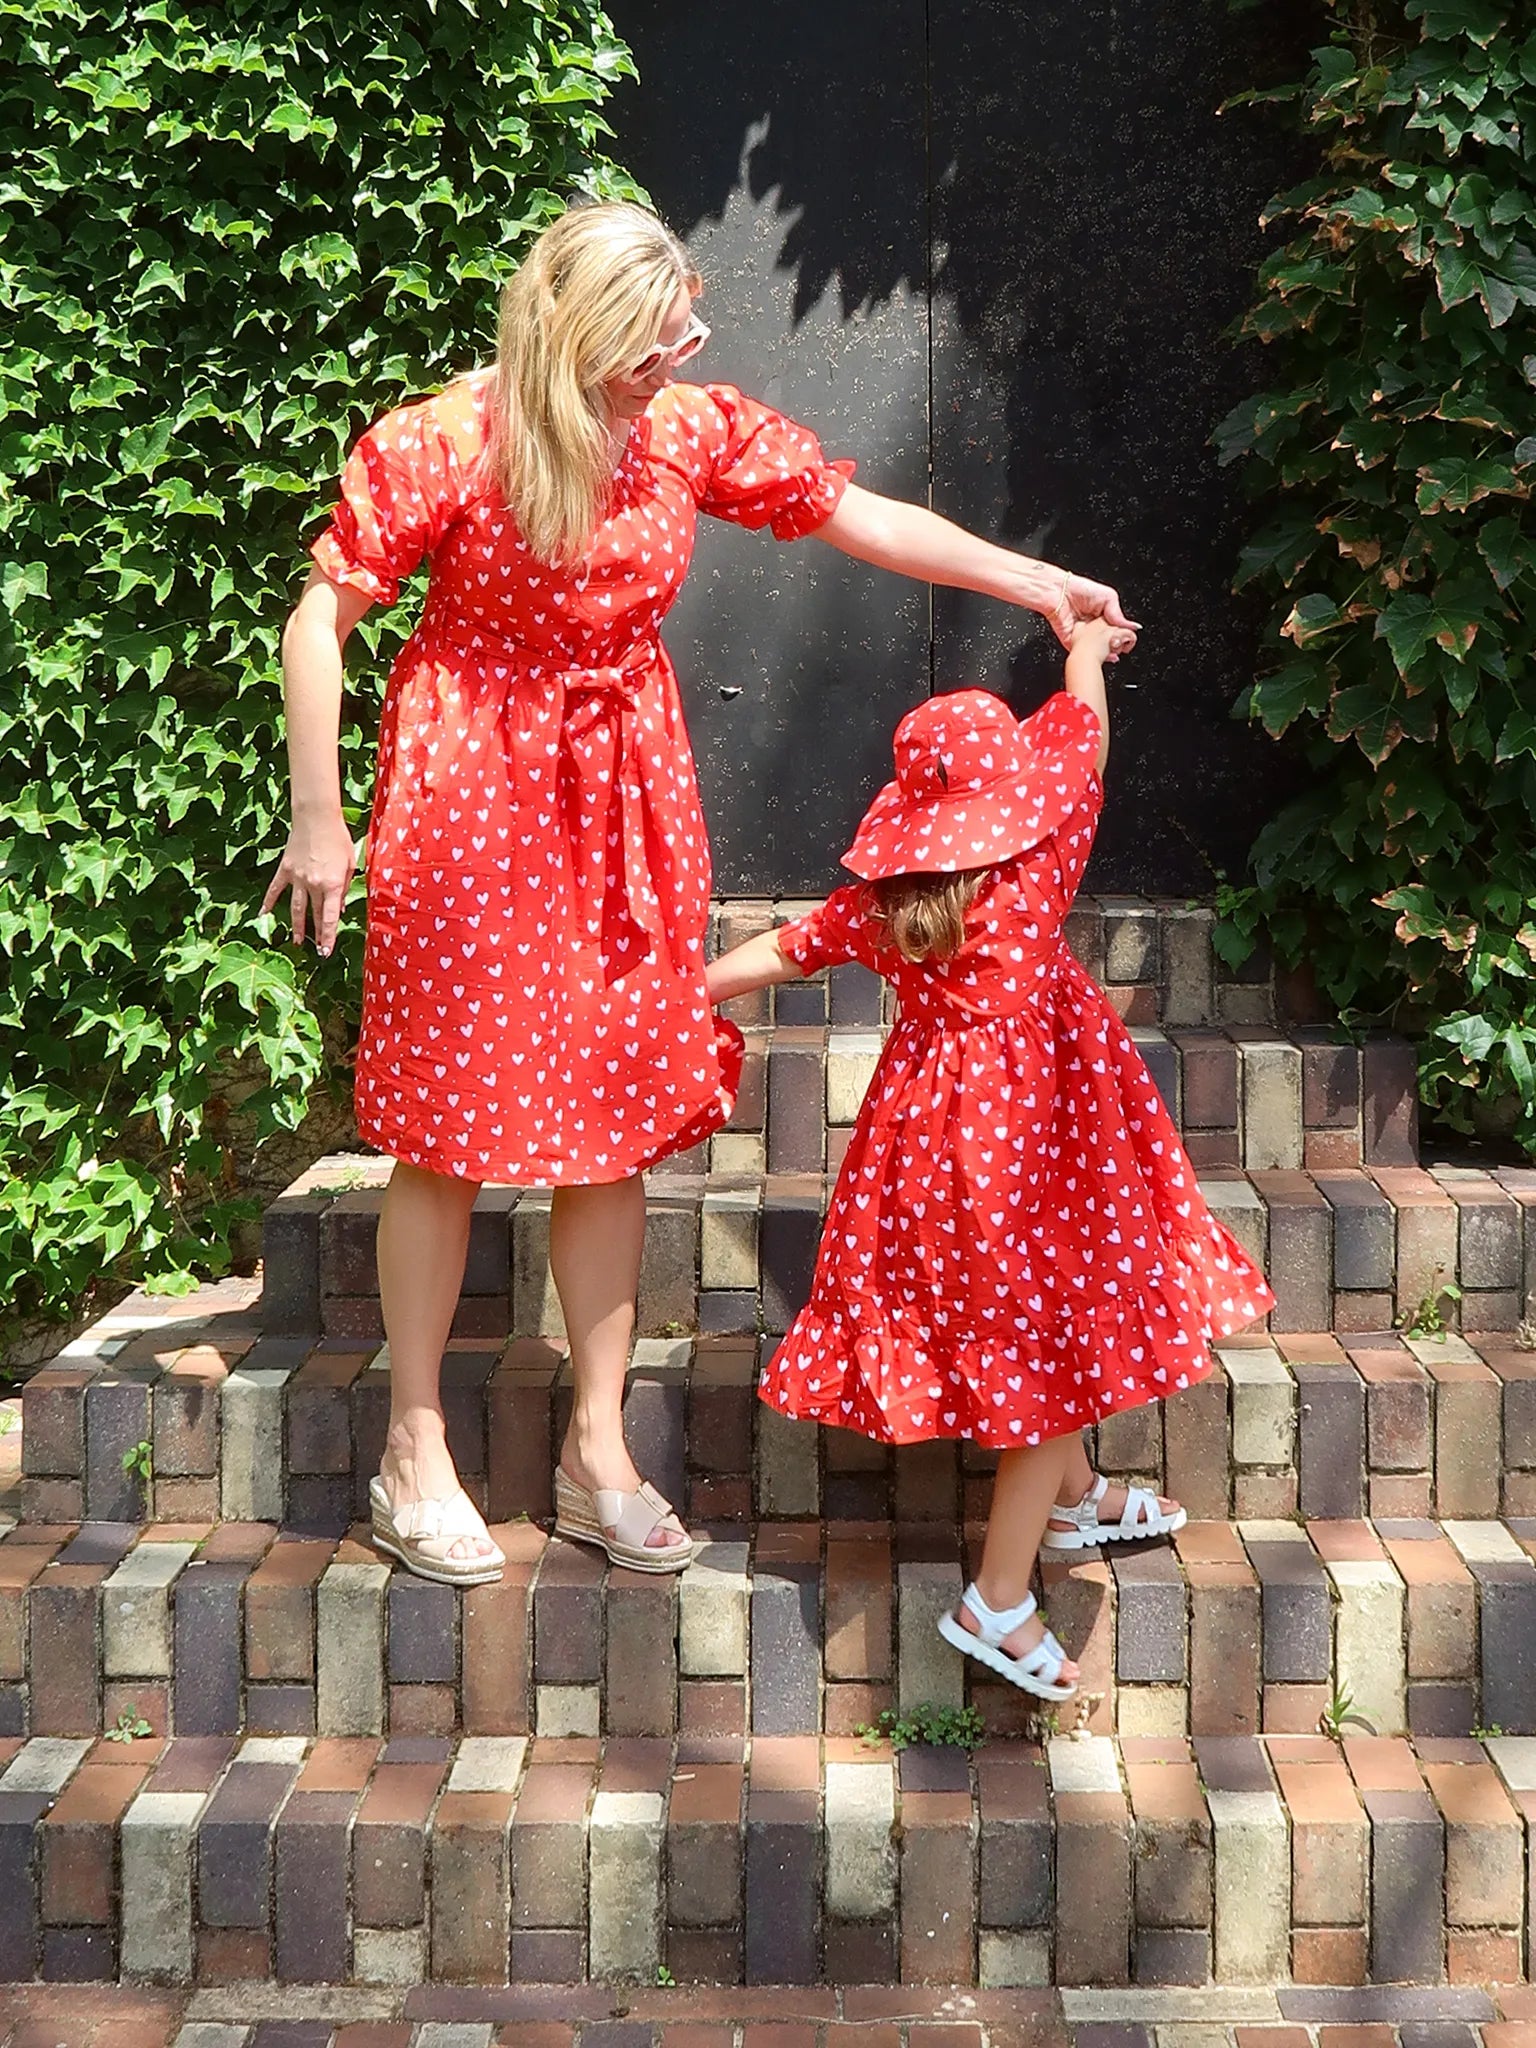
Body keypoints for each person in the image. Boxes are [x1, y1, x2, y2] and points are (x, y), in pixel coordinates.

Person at [263, 199, 1140, 1587]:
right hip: (471, 788)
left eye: (685, 331)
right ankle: (414, 1448)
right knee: (443, 1124)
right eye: (651, 344)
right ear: (573, 339)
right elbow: (324, 615)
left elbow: (856, 512)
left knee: (612, 1115)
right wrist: (321, 819)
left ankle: (597, 1447)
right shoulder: (447, 440)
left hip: (626, 798)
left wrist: (1037, 583)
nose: (681, 356)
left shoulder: (681, 428)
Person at [704, 621, 1275, 1696]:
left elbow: (786, 949)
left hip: (931, 1145)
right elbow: (1088, 741)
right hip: (1051, 1136)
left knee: (1032, 1318)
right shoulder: (1043, 857)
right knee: (1054, 1341)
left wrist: (686, 990)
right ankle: (998, 1598)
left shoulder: (889, 906)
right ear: (1011, 797)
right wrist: (1084, 655)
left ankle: (1072, 1497)